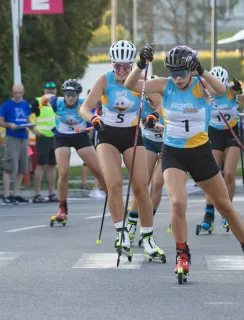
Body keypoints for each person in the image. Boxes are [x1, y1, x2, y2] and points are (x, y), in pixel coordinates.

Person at [124, 44, 244, 281]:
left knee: (226, 207)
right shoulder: (166, 85)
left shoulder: (201, 86)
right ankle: (182, 254)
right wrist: (140, 64)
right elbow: (130, 85)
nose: (177, 78)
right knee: (178, 203)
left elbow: (221, 92)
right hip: (173, 152)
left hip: (200, 152)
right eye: (173, 72)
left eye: (182, 72)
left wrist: (200, 70)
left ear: (191, 69)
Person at [79, 40, 165, 262]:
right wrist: (93, 118)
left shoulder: (141, 81)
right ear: (111, 63)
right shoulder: (105, 80)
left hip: (132, 135)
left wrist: (153, 115)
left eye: (126, 65)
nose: (122, 70)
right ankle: (121, 233)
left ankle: (147, 237)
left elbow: (160, 102)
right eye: (117, 65)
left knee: (140, 188)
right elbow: (84, 108)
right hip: (107, 134)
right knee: (114, 184)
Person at [39, 79, 108, 223]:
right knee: (63, 173)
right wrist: (42, 102)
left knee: (97, 170)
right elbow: (46, 97)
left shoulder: (84, 102)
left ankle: (114, 199)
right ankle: (62, 209)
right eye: (68, 94)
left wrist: (101, 110)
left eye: (73, 94)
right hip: (62, 137)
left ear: (78, 94)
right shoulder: (56, 102)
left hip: (80, 136)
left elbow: (102, 99)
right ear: (64, 94)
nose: (70, 97)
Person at [199, 66, 244, 232]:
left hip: (232, 134)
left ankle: (226, 212)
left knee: (229, 174)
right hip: (214, 134)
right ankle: (209, 213)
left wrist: (241, 92)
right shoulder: (205, 92)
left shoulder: (230, 92)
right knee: (211, 175)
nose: (217, 90)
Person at [127, 89, 165, 245]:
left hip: (166, 144)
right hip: (148, 142)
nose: (150, 100)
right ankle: (131, 225)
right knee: (142, 183)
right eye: (147, 97)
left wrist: (161, 126)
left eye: (152, 97)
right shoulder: (142, 105)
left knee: (157, 183)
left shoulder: (166, 105)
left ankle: (147, 227)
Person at [0, 84, 32, 204]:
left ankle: (16, 193)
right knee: (9, 166)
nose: (18, 95)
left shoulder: (25, 105)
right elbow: (0, 121)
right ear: (12, 93)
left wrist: (33, 129)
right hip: (12, 137)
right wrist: (9, 125)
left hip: (23, 137)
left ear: (23, 92)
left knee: (22, 167)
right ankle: (7, 194)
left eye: (20, 93)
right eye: (15, 93)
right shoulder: (6, 105)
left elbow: (28, 120)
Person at [30, 82, 58, 203]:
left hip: (55, 137)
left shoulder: (58, 102)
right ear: (44, 91)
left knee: (52, 166)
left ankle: (52, 192)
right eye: (48, 90)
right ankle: (37, 193)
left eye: (52, 90)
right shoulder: (37, 102)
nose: (51, 92)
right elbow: (28, 116)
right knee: (41, 165)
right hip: (42, 137)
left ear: (56, 90)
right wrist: (33, 130)